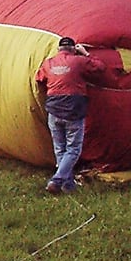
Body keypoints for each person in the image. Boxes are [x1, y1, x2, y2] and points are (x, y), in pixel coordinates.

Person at [35, 36, 106, 194]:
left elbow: (39, 78)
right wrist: (85, 53)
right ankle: (57, 179)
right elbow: (100, 68)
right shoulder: (79, 61)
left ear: (59, 49)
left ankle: (68, 186)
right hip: (73, 110)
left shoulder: (48, 63)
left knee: (60, 149)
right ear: (73, 49)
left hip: (53, 110)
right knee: (73, 149)